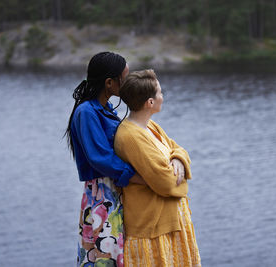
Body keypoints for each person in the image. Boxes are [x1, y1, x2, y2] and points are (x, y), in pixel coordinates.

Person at [114, 69, 201, 267]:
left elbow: (178, 148)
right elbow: (167, 183)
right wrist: (181, 175)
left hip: (172, 225)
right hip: (153, 231)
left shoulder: (150, 126)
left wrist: (178, 160)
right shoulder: (131, 137)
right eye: (160, 93)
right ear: (150, 103)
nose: (163, 96)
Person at [65, 52, 144, 267]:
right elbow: (100, 158)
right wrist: (139, 177)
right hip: (102, 193)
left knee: (117, 256)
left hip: (113, 189)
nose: (129, 83)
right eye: (125, 78)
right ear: (110, 83)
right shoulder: (87, 112)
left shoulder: (105, 108)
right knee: (105, 258)